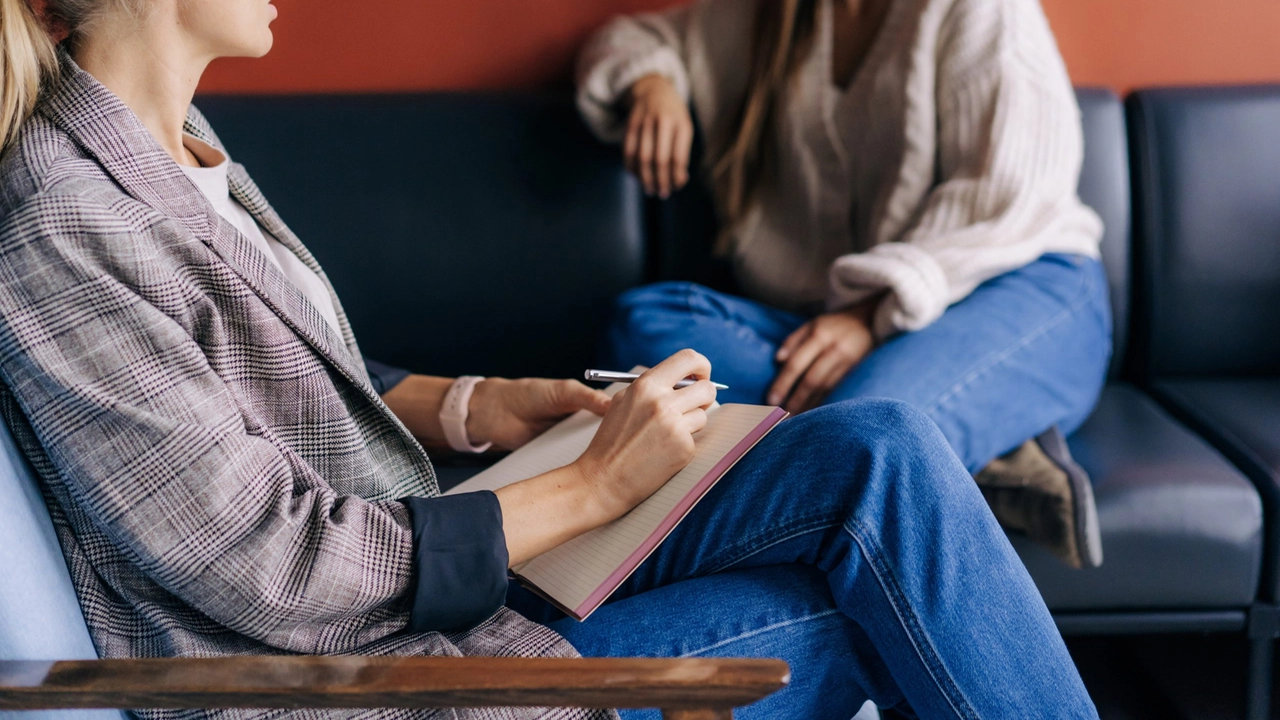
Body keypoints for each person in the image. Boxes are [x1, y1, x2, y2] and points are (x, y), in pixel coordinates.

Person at [0, 0, 1098, 717]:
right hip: (359, 677)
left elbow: (298, 381)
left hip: (427, 593)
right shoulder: (68, 220)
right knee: (858, 603)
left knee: (879, 447)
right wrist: (588, 486)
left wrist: (484, 406)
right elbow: (272, 566)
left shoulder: (184, 149)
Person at [577, 0, 1112, 568]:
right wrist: (652, 83)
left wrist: (870, 316)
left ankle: (910, 431)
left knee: (862, 440)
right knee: (644, 329)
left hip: (1017, 283)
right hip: (847, 319)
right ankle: (975, 454)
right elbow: (627, 39)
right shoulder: (765, 16)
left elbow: (1011, 196)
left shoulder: (977, 9)